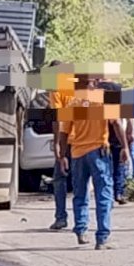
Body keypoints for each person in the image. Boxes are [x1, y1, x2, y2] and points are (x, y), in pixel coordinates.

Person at [58, 74, 129, 250]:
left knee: (80, 194)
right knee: (103, 194)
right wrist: (124, 147)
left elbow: (64, 133)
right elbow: (117, 124)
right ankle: (102, 237)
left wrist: (62, 156)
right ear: (92, 83)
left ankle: (81, 230)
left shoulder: (72, 103)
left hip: (77, 154)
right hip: (98, 152)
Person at [48, 61, 74, 230]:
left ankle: (61, 217)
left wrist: (57, 143)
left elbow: (58, 118)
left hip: (67, 139)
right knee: (80, 182)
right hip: (83, 140)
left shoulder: (56, 89)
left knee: (59, 179)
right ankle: (82, 221)